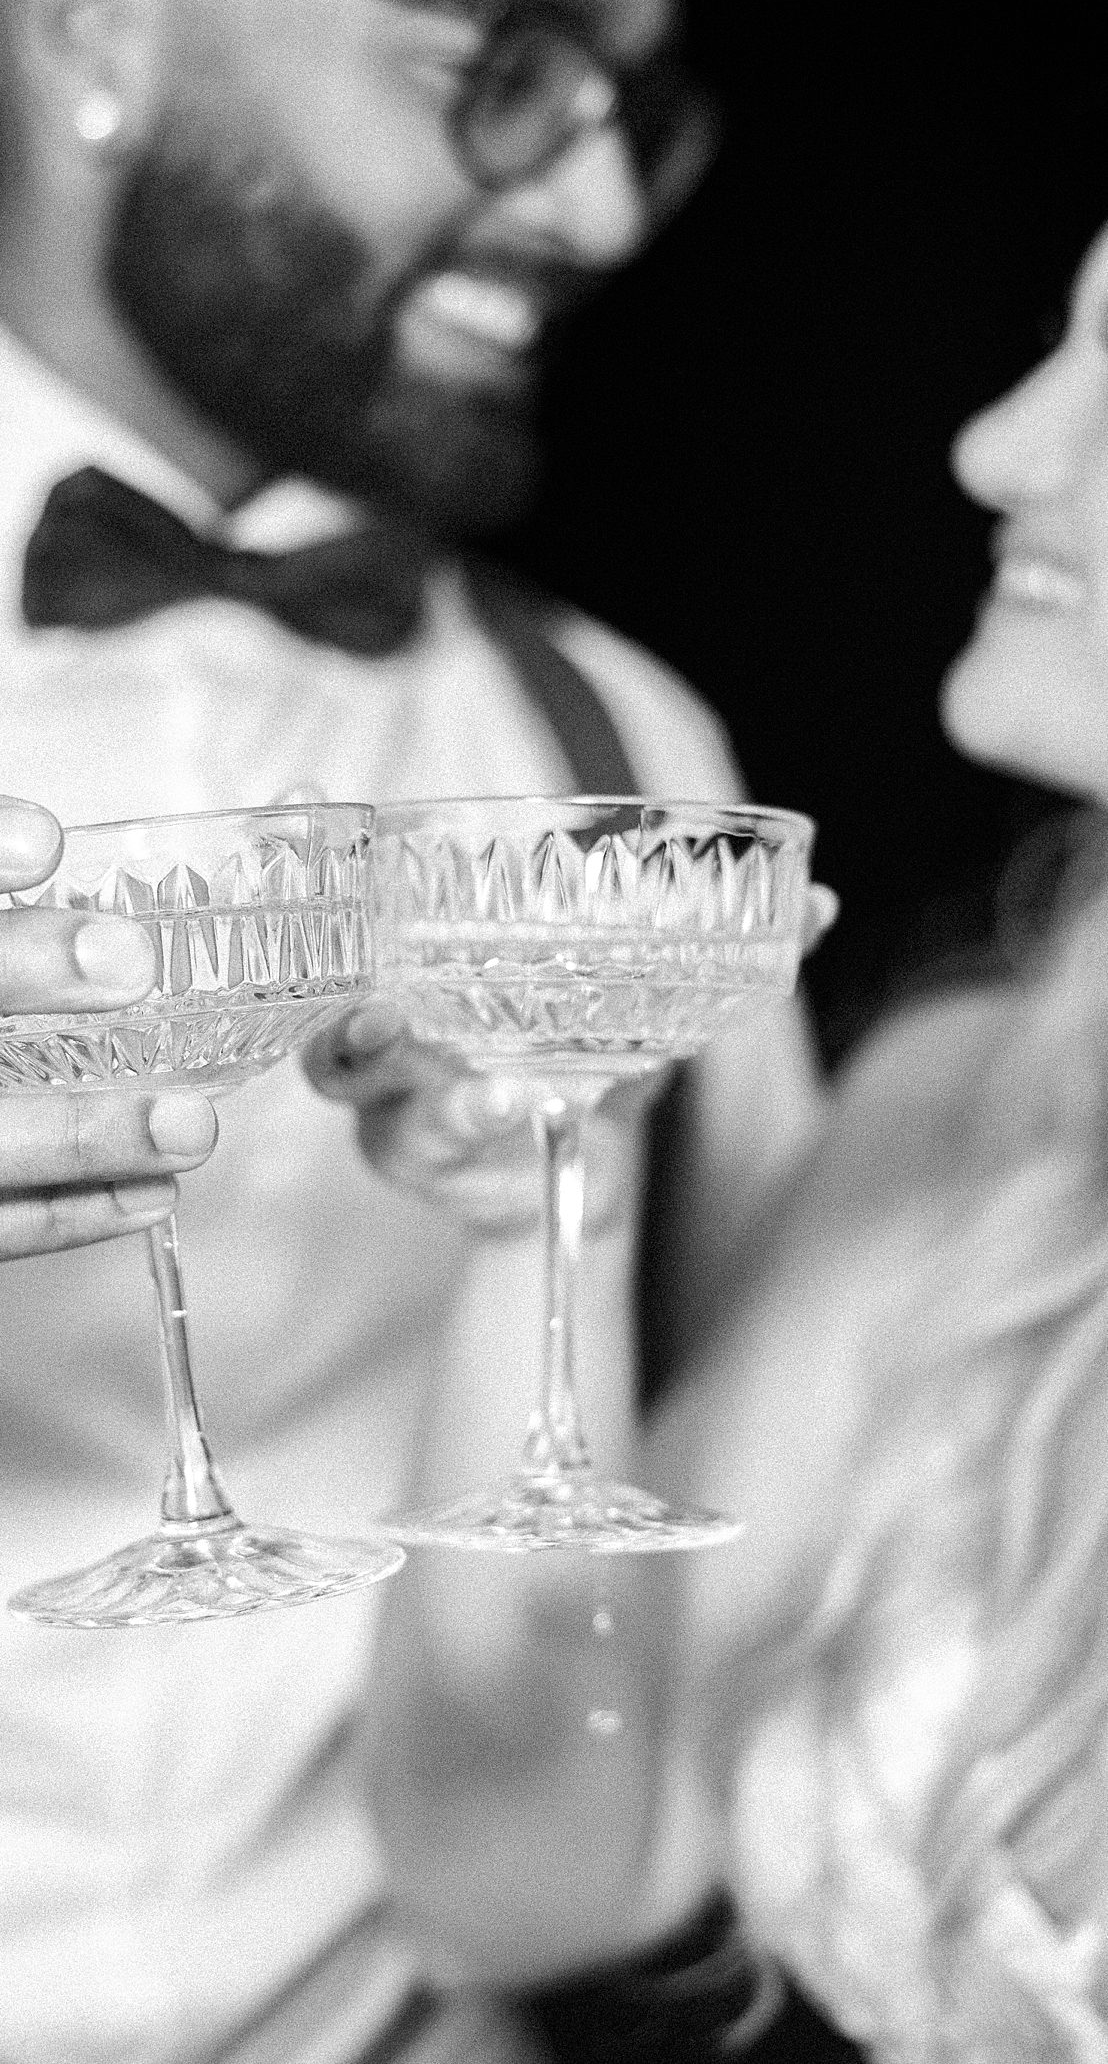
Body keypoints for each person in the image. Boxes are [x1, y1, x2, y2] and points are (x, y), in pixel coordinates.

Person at [0, 0, 819, 2053]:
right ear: (101, 24)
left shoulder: (628, 758)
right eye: (510, 64)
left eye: (635, 104)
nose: (599, 206)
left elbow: (752, 1618)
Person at [361, 213, 1108, 2060]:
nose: (999, 446)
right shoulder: (950, 1118)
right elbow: (526, 1880)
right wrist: (553, 1227)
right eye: (1059, 336)